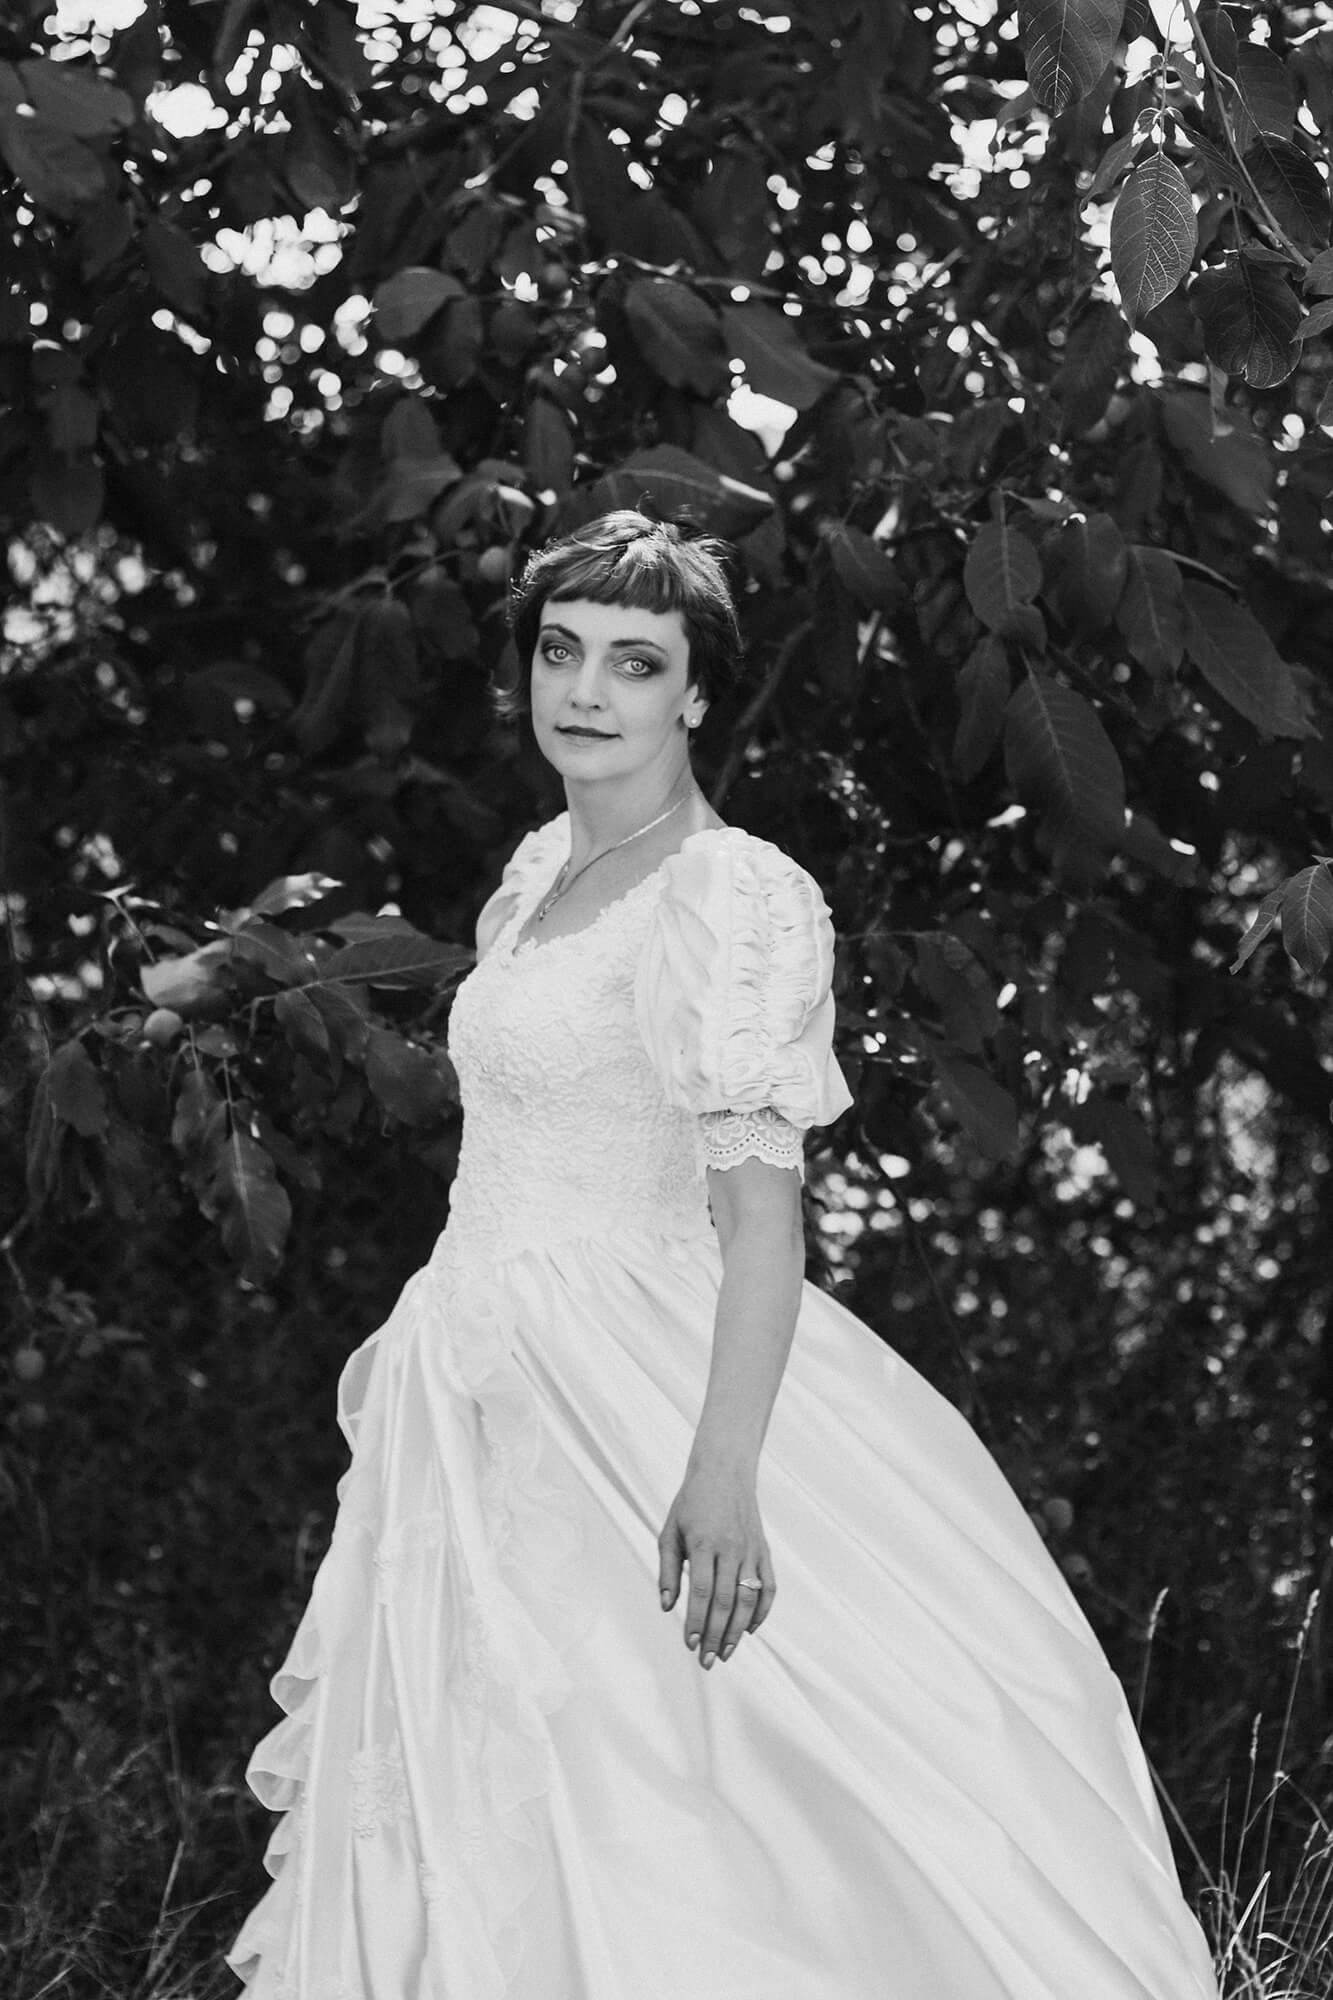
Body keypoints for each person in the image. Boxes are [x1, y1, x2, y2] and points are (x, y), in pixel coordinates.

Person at [228, 511, 1219, 1999]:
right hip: (472, 1378)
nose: (586, 692)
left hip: (633, 1369)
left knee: (667, 1780)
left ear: (693, 696)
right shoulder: (539, 869)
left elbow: (761, 1214)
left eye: (636, 664)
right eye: (561, 654)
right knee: (471, 1777)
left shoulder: (733, 895)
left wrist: (721, 1470)